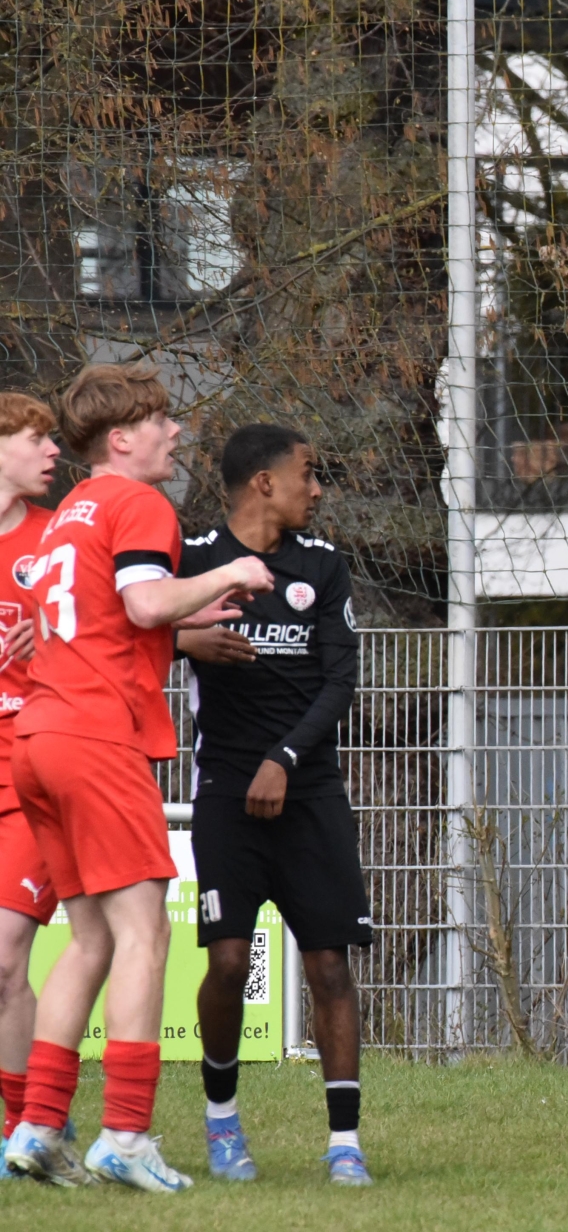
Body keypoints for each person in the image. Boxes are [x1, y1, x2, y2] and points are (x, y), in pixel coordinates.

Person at [1, 363, 273, 1192]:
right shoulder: (139, 503)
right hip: (95, 738)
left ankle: (37, 1126)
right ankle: (125, 1132)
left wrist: (179, 612)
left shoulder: (67, 515)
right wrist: (229, 573)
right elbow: (146, 603)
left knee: (88, 940)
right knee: (144, 934)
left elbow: (101, 616)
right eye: (160, 420)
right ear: (121, 439)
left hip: (37, 738)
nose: (175, 431)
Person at [175, 424, 370, 1184]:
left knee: (329, 966)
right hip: (225, 790)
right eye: (308, 474)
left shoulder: (322, 565)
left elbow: (340, 679)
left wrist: (284, 759)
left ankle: (345, 1143)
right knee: (229, 963)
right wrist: (185, 642)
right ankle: (222, 1122)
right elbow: (129, 629)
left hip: (309, 789)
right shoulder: (195, 559)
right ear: (264, 483)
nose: (316, 490)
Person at [0, 396, 64, 1172]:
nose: (51, 451)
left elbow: (110, 631)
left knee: (5, 957)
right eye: (34, 437)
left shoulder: (56, 537)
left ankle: (27, 1127)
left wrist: (48, 633)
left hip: (30, 765)